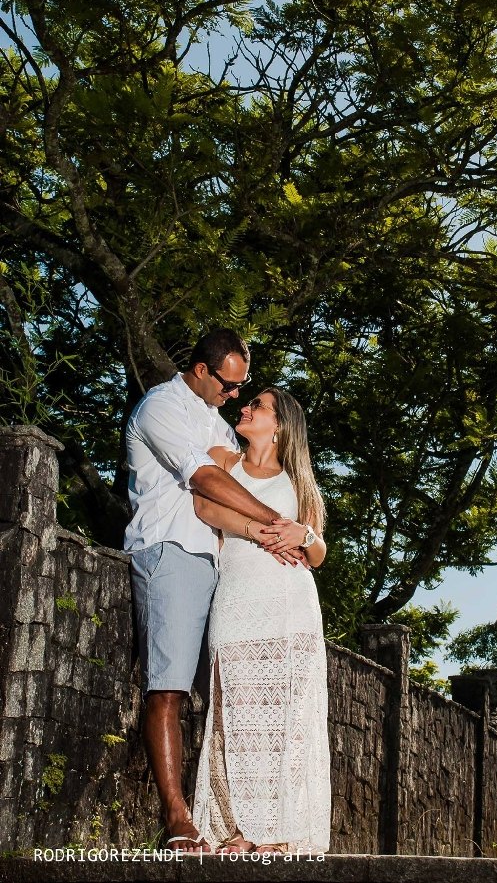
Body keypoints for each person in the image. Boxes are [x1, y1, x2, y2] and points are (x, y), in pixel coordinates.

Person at [124, 328, 300, 854]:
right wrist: (274, 522)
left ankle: (238, 824)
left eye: (242, 388)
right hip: (171, 552)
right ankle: (177, 818)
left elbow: (241, 470)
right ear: (202, 371)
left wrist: (294, 530)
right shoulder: (161, 408)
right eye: (230, 386)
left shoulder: (213, 418)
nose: (235, 396)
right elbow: (203, 478)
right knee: (169, 686)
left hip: (216, 564)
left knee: (227, 702)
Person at [191, 387, 331, 854]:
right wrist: (256, 528)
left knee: (284, 727)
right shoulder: (222, 461)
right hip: (236, 600)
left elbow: (317, 553)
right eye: (247, 403)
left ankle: (276, 834)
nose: (245, 408)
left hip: (291, 609)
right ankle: (239, 828)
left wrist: (302, 532)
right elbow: (204, 506)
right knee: (235, 719)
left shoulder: (299, 481)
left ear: (281, 424)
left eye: (258, 406)